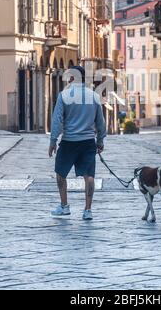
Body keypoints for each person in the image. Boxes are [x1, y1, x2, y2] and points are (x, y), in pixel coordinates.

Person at [49, 66, 106, 221]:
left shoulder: (64, 95)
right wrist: (100, 140)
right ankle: (87, 210)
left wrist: (53, 141)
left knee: (60, 174)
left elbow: (57, 121)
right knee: (89, 176)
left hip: (69, 142)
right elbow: (100, 122)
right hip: (88, 142)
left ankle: (64, 206)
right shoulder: (94, 96)